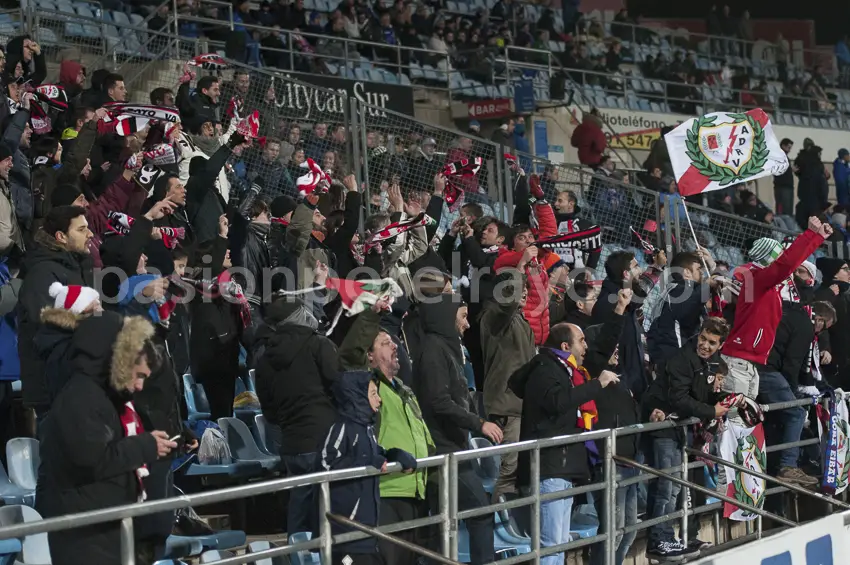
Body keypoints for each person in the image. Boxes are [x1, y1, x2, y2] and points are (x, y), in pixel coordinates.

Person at [37, 311, 178, 565]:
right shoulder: (82, 397)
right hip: (85, 531)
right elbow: (93, 460)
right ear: (120, 361)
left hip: (103, 524)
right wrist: (145, 445)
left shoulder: (102, 397)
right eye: (139, 375)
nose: (140, 386)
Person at [509, 321, 619, 565]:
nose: (585, 347)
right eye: (581, 341)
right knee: (551, 546)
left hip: (562, 467)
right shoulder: (545, 369)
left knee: (558, 545)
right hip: (550, 468)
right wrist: (596, 384)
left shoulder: (566, 370)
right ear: (565, 346)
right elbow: (557, 402)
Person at [339, 301, 434, 565]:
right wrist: (372, 315)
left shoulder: (404, 389)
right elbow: (350, 355)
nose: (394, 346)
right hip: (385, 492)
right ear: (368, 356)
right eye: (384, 343)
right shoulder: (365, 386)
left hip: (414, 491)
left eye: (393, 342)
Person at [412, 293, 501, 565]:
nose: (467, 324)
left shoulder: (444, 348)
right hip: (443, 450)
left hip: (454, 448)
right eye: (463, 317)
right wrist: (479, 423)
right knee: (480, 511)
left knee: (443, 522)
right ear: (446, 318)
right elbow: (439, 402)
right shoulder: (432, 352)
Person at [641, 317, 731, 561]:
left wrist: (731, 399)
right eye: (703, 338)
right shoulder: (681, 359)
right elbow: (680, 399)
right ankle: (659, 540)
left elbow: (701, 395)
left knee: (674, 488)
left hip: (677, 428)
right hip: (662, 426)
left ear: (720, 345)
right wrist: (712, 411)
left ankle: (668, 538)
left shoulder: (712, 362)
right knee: (665, 486)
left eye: (711, 342)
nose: (705, 345)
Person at [721, 221, 829, 423]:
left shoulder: (767, 287)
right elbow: (787, 265)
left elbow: (788, 265)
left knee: (745, 425)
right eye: (779, 257)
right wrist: (812, 235)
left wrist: (816, 237)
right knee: (735, 423)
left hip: (751, 364)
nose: (786, 266)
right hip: (739, 362)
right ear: (769, 261)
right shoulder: (757, 280)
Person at [254, 292, 339, 535]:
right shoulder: (318, 345)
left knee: (299, 510)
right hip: (324, 441)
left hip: (292, 444)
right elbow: (339, 388)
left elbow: (269, 411)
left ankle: (297, 552)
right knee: (325, 513)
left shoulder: (265, 359)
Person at [319, 367, 417, 565]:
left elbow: (373, 454)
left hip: (367, 532)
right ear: (357, 397)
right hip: (347, 535)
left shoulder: (366, 428)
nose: (379, 399)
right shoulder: (342, 427)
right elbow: (325, 464)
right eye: (373, 394)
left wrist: (395, 455)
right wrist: (367, 462)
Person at [17, 206, 93, 425]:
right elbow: (44, 325)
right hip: (53, 387)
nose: (90, 234)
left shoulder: (73, 267)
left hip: (72, 382)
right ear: (61, 236)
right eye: (81, 229)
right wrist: (84, 315)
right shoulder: (43, 272)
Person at [758, 299, 835, 485]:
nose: (820, 333)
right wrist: (793, 395)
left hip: (758, 365)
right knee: (797, 413)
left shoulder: (792, 313)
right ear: (819, 320)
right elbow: (791, 364)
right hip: (767, 370)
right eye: (824, 328)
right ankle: (788, 466)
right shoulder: (805, 326)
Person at [480, 267, 536, 499]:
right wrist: (519, 268)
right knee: (507, 471)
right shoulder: (494, 316)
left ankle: (506, 516)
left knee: (518, 472)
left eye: (526, 288)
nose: (525, 293)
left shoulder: (519, 319)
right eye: (519, 288)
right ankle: (496, 517)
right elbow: (508, 303)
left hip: (520, 406)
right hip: (507, 406)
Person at [647, 250, 717, 368]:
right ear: (687, 272)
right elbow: (689, 306)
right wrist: (706, 286)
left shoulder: (676, 289)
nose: (702, 273)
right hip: (672, 358)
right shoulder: (679, 290)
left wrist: (712, 265)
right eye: (698, 269)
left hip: (669, 356)